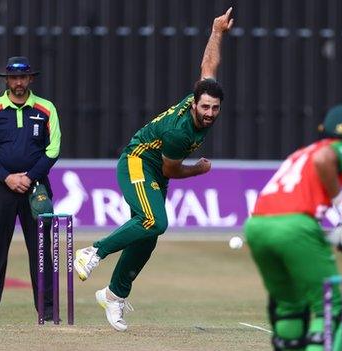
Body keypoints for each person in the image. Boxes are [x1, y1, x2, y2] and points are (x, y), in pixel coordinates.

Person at [74, 8, 234, 331]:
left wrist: (216, 31)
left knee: (148, 237)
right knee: (153, 221)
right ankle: (93, 252)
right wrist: (200, 169)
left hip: (155, 170)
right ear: (193, 104)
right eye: (205, 107)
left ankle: (113, 295)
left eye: (215, 108)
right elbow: (172, 169)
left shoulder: (205, 94)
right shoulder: (180, 132)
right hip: (137, 161)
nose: (210, 113)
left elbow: (208, 65)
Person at [244, 105, 342, 351]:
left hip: (257, 226)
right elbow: (324, 161)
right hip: (295, 227)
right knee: (332, 306)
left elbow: (289, 218)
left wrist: (336, 236)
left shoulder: (301, 153)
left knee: (289, 307)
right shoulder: (341, 148)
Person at [0, 56, 62, 321]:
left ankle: (46, 309)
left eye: (23, 78)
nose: (18, 83)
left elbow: (53, 148)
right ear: (7, 80)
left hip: (36, 189)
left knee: (41, 249)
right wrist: (7, 177)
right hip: (1, 187)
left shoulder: (45, 108)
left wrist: (30, 177)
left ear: (30, 79)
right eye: (13, 78)